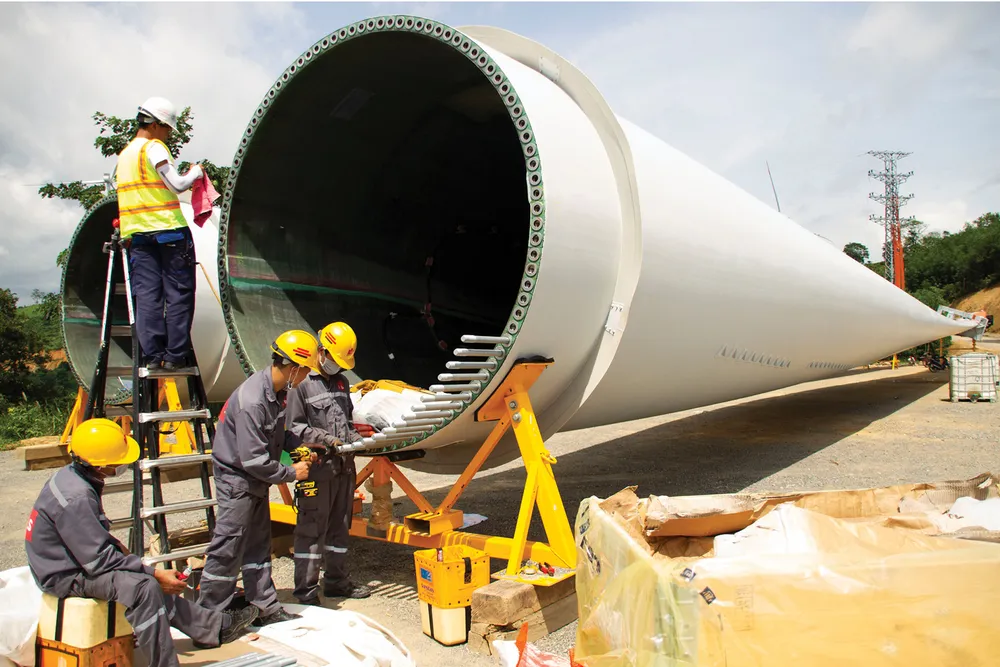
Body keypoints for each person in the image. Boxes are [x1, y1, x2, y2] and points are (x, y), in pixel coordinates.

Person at [24, 418, 258, 667]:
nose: (122, 464)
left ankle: (213, 628)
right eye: (119, 460)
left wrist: (133, 562)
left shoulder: (73, 478)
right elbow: (98, 561)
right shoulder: (77, 497)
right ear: (101, 464)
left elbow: (90, 537)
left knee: (143, 579)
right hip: (63, 575)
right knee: (143, 588)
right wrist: (154, 574)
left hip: (67, 563)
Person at [197, 329, 321, 626]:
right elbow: (253, 459)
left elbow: (277, 433)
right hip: (237, 481)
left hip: (253, 480)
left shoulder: (277, 393)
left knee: (257, 545)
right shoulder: (253, 400)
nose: (307, 377)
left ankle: (264, 606)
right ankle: (209, 617)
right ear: (293, 368)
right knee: (228, 546)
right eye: (306, 371)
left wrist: (298, 446)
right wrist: (292, 472)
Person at [284, 321, 371, 604]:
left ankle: (337, 582)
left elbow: (346, 422)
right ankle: (306, 592)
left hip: (343, 468)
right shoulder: (301, 384)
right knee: (311, 530)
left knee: (339, 527)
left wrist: (359, 438)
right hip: (317, 470)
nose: (337, 366)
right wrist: (326, 439)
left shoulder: (341, 382)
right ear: (321, 352)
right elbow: (294, 428)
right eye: (335, 360)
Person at [115, 96, 204, 372]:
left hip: (138, 238)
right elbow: (176, 185)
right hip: (169, 233)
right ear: (155, 124)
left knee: (147, 297)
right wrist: (196, 173)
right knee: (178, 294)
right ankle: (175, 355)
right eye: (166, 128)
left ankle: (153, 356)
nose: (168, 134)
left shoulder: (124, 156)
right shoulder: (153, 148)